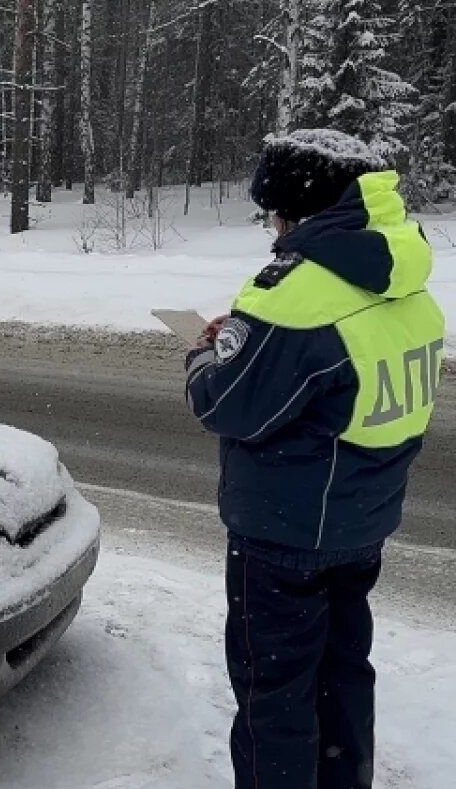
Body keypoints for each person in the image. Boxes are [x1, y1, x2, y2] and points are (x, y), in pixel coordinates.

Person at [184, 129, 446, 789]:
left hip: (282, 533)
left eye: (272, 211)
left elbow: (227, 405)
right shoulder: (406, 281)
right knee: (343, 672)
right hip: (363, 524)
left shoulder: (296, 294)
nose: (270, 226)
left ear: (294, 208)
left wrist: (200, 355)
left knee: (276, 693)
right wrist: (251, 345)